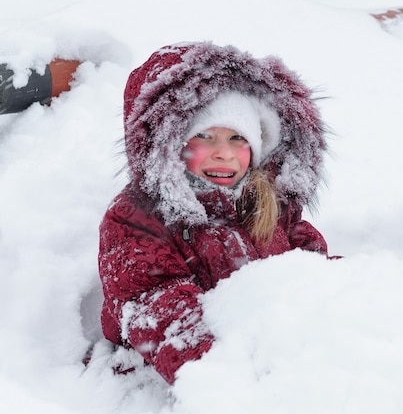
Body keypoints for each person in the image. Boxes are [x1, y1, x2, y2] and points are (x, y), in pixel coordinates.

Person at [98, 41, 330, 384]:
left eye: (238, 138)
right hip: (171, 381)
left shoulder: (269, 206)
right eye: (204, 136)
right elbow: (160, 312)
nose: (224, 154)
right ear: (169, 143)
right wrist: (237, 377)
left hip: (275, 363)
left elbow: (312, 278)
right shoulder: (135, 222)